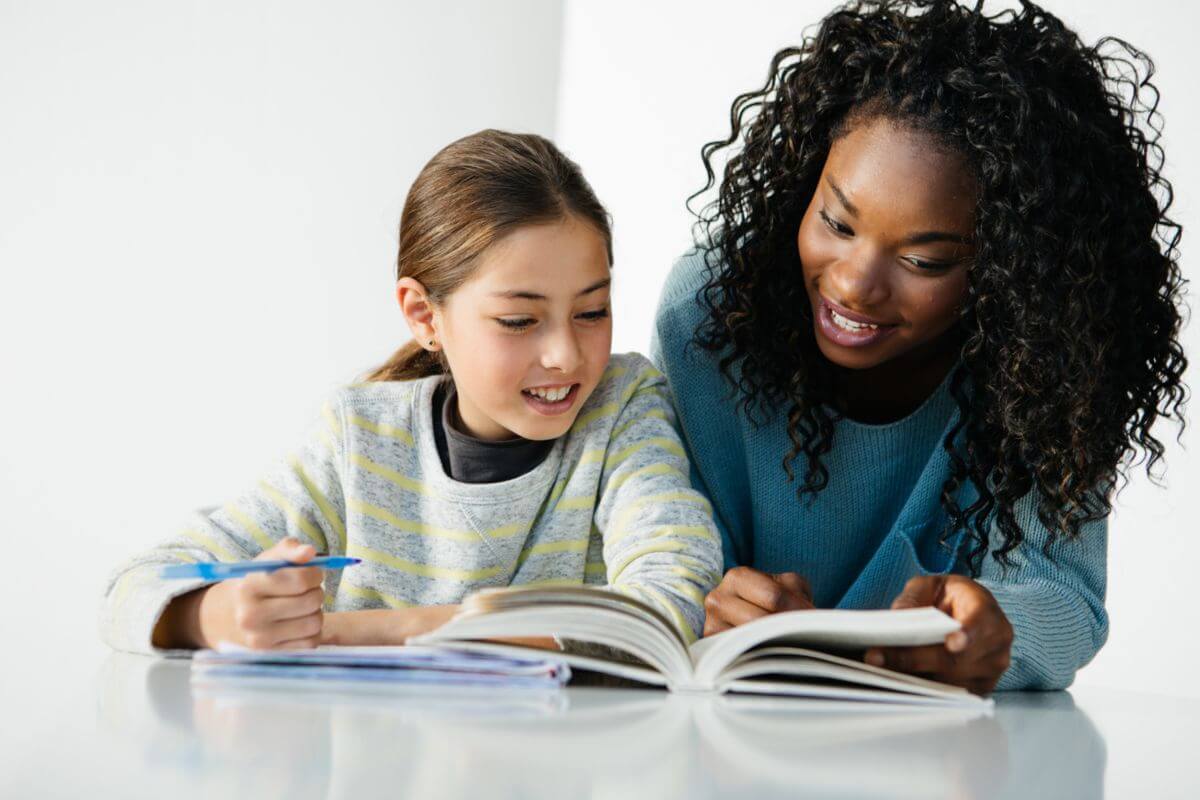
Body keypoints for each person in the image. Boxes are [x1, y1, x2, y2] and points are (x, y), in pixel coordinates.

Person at [653, 0, 1186, 693]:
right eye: (837, 223)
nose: (853, 285)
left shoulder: (1048, 365)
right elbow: (664, 545)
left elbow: (1064, 601)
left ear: (1010, 271)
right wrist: (715, 605)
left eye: (925, 261)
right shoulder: (711, 312)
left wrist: (992, 635)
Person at [102, 130, 722, 654]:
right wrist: (217, 616)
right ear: (424, 315)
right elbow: (133, 590)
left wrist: (370, 629)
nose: (565, 354)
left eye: (592, 310)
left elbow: (670, 602)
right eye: (519, 321)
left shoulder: (623, 407)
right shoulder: (359, 440)